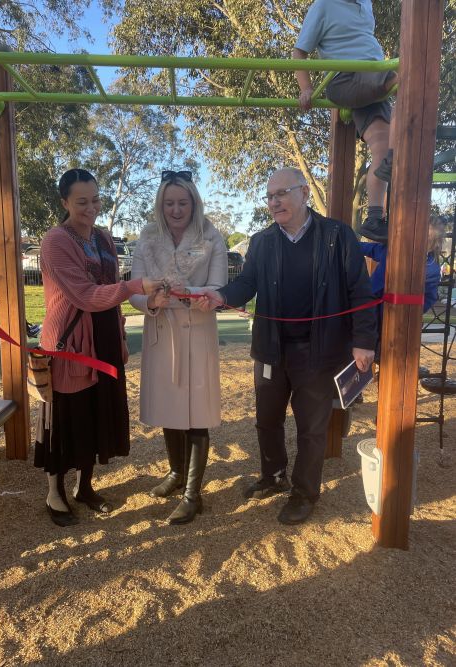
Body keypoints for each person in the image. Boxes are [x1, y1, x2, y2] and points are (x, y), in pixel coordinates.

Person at [197, 167, 377, 525]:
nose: (274, 201)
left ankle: (305, 491)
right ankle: (273, 475)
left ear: (305, 193)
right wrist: (218, 295)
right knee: (267, 420)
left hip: (319, 350)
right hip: (272, 349)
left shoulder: (337, 235)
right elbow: (246, 283)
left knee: (312, 427)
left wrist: (363, 342)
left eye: (281, 193)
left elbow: (360, 290)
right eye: (269, 196)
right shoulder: (262, 241)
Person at [35, 168, 162, 527]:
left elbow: (112, 288)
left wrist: (141, 300)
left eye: (95, 200)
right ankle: (53, 492)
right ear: (64, 202)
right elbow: (85, 295)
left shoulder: (104, 238)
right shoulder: (55, 241)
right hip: (72, 342)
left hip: (103, 335)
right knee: (66, 417)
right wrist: (137, 284)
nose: (91, 208)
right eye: (81, 202)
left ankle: (84, 487)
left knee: (95, 413)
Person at [129, 170, 228, 524]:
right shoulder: (147, 236)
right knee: (170, 408)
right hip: (161, 330)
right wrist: (151, 301)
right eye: (169, 203)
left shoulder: (212, 236)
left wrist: (200, 297)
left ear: (193, 203)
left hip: (197, 330)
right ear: (161, 204)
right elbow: (135, 290)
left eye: (182, 202)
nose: (175, 209)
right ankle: (175, 472)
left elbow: (218, 285)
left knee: (197, 412)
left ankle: (193, 493)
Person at [293, 0, 397, 243]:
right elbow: (299, 51)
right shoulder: (324, 5)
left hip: (375, 82)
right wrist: (306, 88)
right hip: (346, 79)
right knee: (405, 76)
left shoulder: (366, 4)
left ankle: (373, 218)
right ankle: (398, 150)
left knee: (383, 148)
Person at [361, 214, 445, 352]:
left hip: (400, 313)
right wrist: (347, 243)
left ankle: (381, 356)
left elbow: (430, 296)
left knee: (392, 344)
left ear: (433, 245)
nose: (416, 244)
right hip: (370, 304)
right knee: (363, 336)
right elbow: (367, 248)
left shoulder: (431, 268)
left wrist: (413, 310)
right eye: (414, 238)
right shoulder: (392, 252)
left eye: (425, 241)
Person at [0, 272, 41, 337]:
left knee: (14, 309)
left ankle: (27, 329)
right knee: (13, 310)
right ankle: (28, 331)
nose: (0, 280)